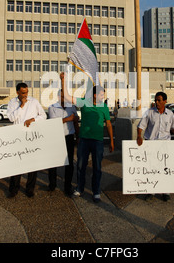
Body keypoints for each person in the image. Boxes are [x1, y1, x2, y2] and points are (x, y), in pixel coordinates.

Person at [60, 72, 114, 203]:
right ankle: (80, 188)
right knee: (80, 166)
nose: (103, 97)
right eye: (102, 94)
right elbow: (67, 97)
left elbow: (108, 124)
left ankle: (96, 192)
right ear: (95, 95)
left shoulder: (104, 107)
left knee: (97, 167)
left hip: (98, 142)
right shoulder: (84, 102)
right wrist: (63, 80)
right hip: (84, 140)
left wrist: (112, 141)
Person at [136, 91, 174, 201]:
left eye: (159, 100)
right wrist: (139, 136)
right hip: (151, 144)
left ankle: (165, 192)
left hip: (165, 145)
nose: (156, 102)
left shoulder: (170, 114)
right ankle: (150, 191)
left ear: (165, 101)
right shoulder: (149, 113)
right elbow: (141, 126)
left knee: (165, 168)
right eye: (155, 100)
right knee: (151, 168)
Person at [6, 82, 47, 198]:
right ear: (17, 92)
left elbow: (43, 116)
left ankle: (30, 189)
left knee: (32, 166)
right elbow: (11, 118)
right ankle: (13, 189)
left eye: (27, 92)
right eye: (23, 93)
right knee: (16, 165)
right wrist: (21, 106)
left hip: (31, 137)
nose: (25, 95)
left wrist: (33, 119)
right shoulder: (12, 103)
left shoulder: (34, 101)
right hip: (17, 137)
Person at [48, 90, 79, 196]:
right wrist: (68, 119)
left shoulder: (72, 107)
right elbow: (53, 122)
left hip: (69, 137)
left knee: (69, 163)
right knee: (53, 163)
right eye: (61, 96)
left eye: (65, 96)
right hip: (56, 137)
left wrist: (78, 136)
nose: (63, 98)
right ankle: (52, 184)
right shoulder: (52, 107)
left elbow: (75, 122)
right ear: (57, 97)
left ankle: (67, 186)